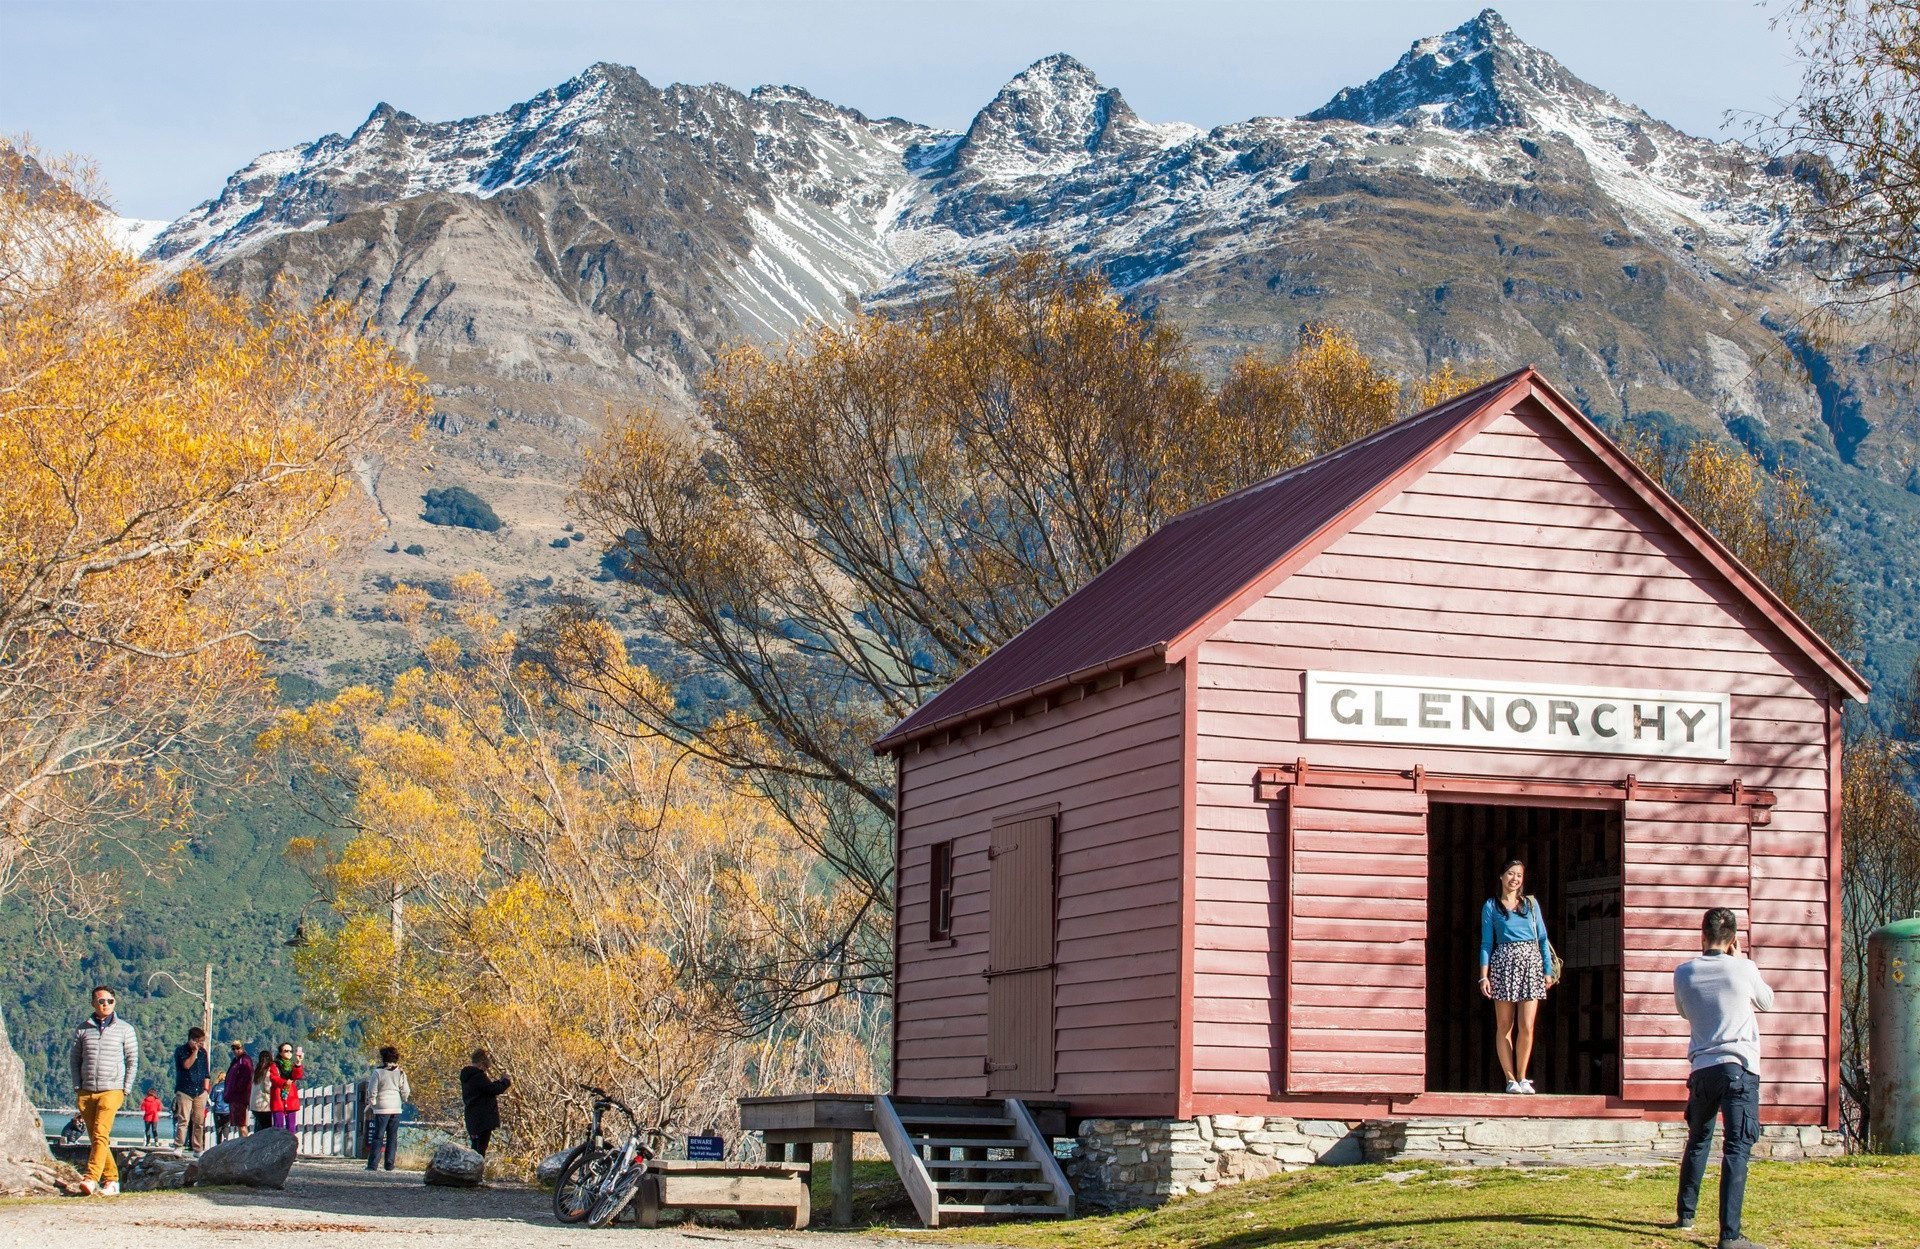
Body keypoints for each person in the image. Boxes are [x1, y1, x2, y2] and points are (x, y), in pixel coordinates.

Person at [1673, 906, 1774, 1249]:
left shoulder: (1683, 972)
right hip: (1738, 1068)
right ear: (1733, 939)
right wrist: (1741, 960)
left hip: (1702, 1068)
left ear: (1702, 936)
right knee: (1736, 1148)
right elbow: (1767, 1001)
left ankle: (1685, 1215)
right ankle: (1730, 1235)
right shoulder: (1743, 969)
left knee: (1698, 1140)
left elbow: (1684, 1011)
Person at [1477, 858, 1557, 1094]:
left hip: (1531, 964)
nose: (1515, 879)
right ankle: (1510, 1079)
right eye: (1510, 874)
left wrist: (1547, 971)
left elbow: (1542, 939)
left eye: (1519, 875)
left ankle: (1523, 1077)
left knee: (1527, 1025)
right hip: (1503, 964)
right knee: (1504, 1025)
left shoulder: (1531, 905)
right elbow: (1486, 942)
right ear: (1501, 877)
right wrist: (1484, 975)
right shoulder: (1491, 906)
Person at [70, 984, 137, 1196]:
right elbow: (74, 1059)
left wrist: (125, 1088)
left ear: (114, 1003)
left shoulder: (125, 1029)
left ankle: (91, 1178)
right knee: (97, 1138)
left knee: (100, 1132)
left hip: (112, 1089)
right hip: (87, 1090)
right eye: (101, 1001)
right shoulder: (83, 1029)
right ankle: (112, 1180)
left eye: (110, 1001)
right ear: (93, 1003)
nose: (106, 1004)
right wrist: (77, 1086)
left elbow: (132, 1060)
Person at [365, 1045, 411, 1172]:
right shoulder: (401, 1072)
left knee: (378, 1136)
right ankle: (389, 1164)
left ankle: (373, 1164)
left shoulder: (378, 1072)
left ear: (383, 1058)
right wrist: (403, 1099)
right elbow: (405, 1090)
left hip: (382, 1108)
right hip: (395, 1107)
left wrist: (372, 1103)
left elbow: (372, 1090)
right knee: (392, 1136)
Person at [458, 1049, 510, 1155]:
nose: (485, 1070)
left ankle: (472, 1169)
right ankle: (476, 1170)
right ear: (482, 1063)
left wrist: (498, 1082)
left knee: (475, 1147)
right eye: (486, 1067)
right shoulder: (478, 1076)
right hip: (482, 1119)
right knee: (480, 1149)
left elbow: (486, 1088)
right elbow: (493, 1090)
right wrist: (505, 1081)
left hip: (472, 1118)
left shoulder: (468, 1076)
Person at [172, 1025, 211, 1152]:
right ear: (191, 1040)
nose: (200, 1044)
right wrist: (194, 1051)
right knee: (184, 1119)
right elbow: (187, 1065)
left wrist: (206, 1090)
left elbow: (206, 1072)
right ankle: (179, 1145)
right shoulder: (181, 1051)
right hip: (184, 1090)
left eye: (202, 1042)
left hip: (200, 1091)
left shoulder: (203, 1052)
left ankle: (197, 1148)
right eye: (198, 1042)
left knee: (199, 1121)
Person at [267, 1042, 305, 1132]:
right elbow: (273, 1078)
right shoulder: (274, 1065)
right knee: (278, 1127)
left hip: (291, 1098)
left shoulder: (292, 1065)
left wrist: (299, 1063)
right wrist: (285, 1082)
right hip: (278, 1098)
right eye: (286, 1051)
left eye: (291, 1051)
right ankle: (278, 1145)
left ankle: (291, 1145)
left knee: (291, 1128)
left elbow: (297, 1076)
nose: (289, 1053)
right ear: (280, 1052)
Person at [222, 1041, 254, 1138]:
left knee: (241, 1123)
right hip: (234, 1096)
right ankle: (241, 1141)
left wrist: (237, 1088)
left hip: (240, 1096)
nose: (236, 1051)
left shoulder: (245, 1060)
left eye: (238, 1048)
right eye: (233, 1049)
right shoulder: (236, 1061)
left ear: (243, 1048)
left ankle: (244, 1142)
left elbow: (247, 1076)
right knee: (237, 1122)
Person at [250, 1046, 274, 1131]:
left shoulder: (257, 1071)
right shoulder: (267, 1071)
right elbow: (268, 1087)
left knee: (258, 1127)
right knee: (266, 1128)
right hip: (264, 1104)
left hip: (254, 1104)